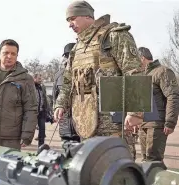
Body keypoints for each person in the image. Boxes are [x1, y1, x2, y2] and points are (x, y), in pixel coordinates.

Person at [53, 1, 144, 159]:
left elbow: (134, 73)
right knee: (91, 168)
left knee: (117, 167)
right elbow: (68, 81)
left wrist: (135, 112)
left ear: (88, 16)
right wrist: (60, 104)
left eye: (72, 18)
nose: (70, 25)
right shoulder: (77, 48)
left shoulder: (114, 36)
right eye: (68, 21)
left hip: (114, 123)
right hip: (85, 122)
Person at [137, 47, 179, 162]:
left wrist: (170, 122)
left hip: (156, 124)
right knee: (145, 160)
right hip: (143, 125)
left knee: (154, 161)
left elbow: (173, 96)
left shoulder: (163, 71)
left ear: (142, 58)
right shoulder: (142, 75)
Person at [53, 43, 80, 150]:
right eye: (67, 55)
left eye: (71, 55)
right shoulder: (59, 75)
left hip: (82, 122)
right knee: (67, 153)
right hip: (64, 122)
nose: (69, 58)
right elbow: (55, 96)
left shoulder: (85, 72)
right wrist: (55, 111)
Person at [33, 74, 50, 147]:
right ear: (34, 79)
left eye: (41, 78)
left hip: (42, 111)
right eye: (39, 79)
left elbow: (45, 98)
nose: (41, 80)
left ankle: (41, 147)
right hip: (33, 112)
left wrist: (47, 109)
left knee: (42, 130)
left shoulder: (42, 87)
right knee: (29, 129)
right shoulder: (30, 86)